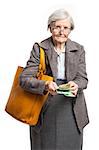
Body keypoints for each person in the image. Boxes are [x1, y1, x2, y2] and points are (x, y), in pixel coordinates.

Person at [19, 9, 89, 150]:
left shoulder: (79, 49)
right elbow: (24, 79)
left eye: (65, 28)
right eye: (57, 27)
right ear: (50, 27)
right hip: (45, 105)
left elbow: (83, 78)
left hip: (72, 106)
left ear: (70, 30)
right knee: (45, 144)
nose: (61, 31)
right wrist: (45, 84)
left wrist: (76, 84)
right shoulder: (40, 49)